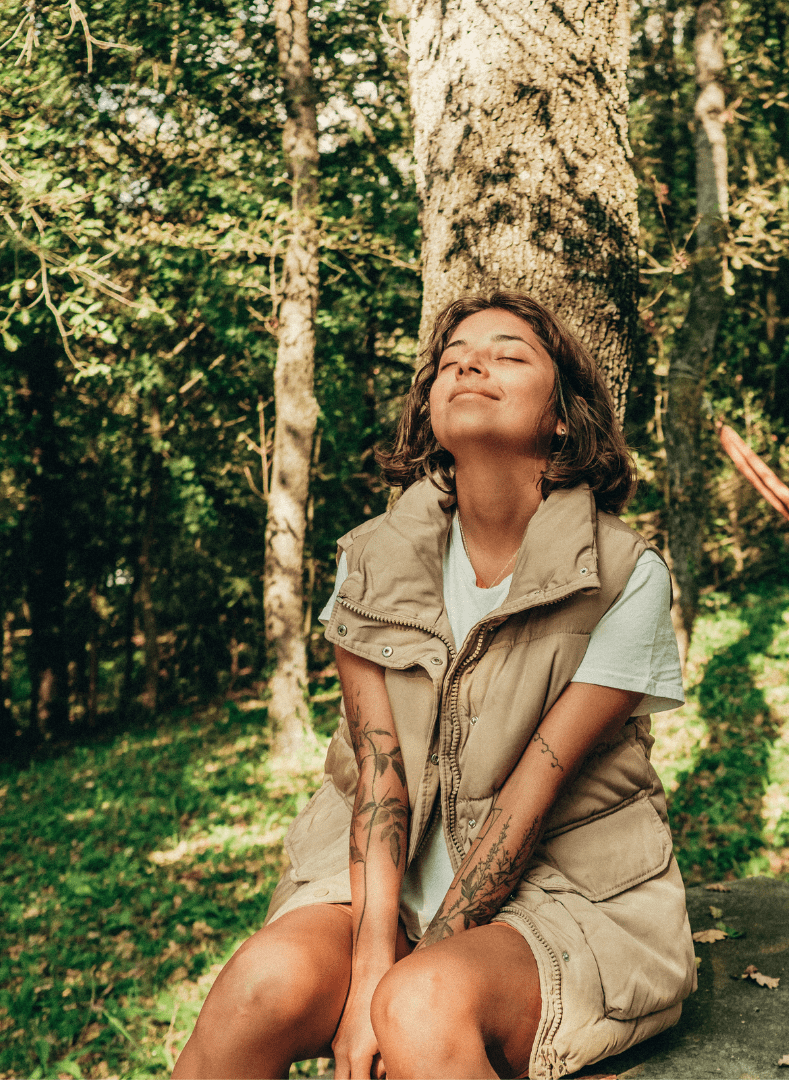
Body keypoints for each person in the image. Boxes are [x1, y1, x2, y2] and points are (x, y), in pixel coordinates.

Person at [173, 292, 696, 1080]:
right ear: (431, 412)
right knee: (258, 985)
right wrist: (369, 966)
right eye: (452, 359)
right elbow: (377, 779)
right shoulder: (368, 563)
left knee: (418, 1006)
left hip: (566, 899)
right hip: (380, 893)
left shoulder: (624, 574)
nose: (470, 364)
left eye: (508, 354)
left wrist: (394, 992)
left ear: (563, 417)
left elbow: (530, 800)